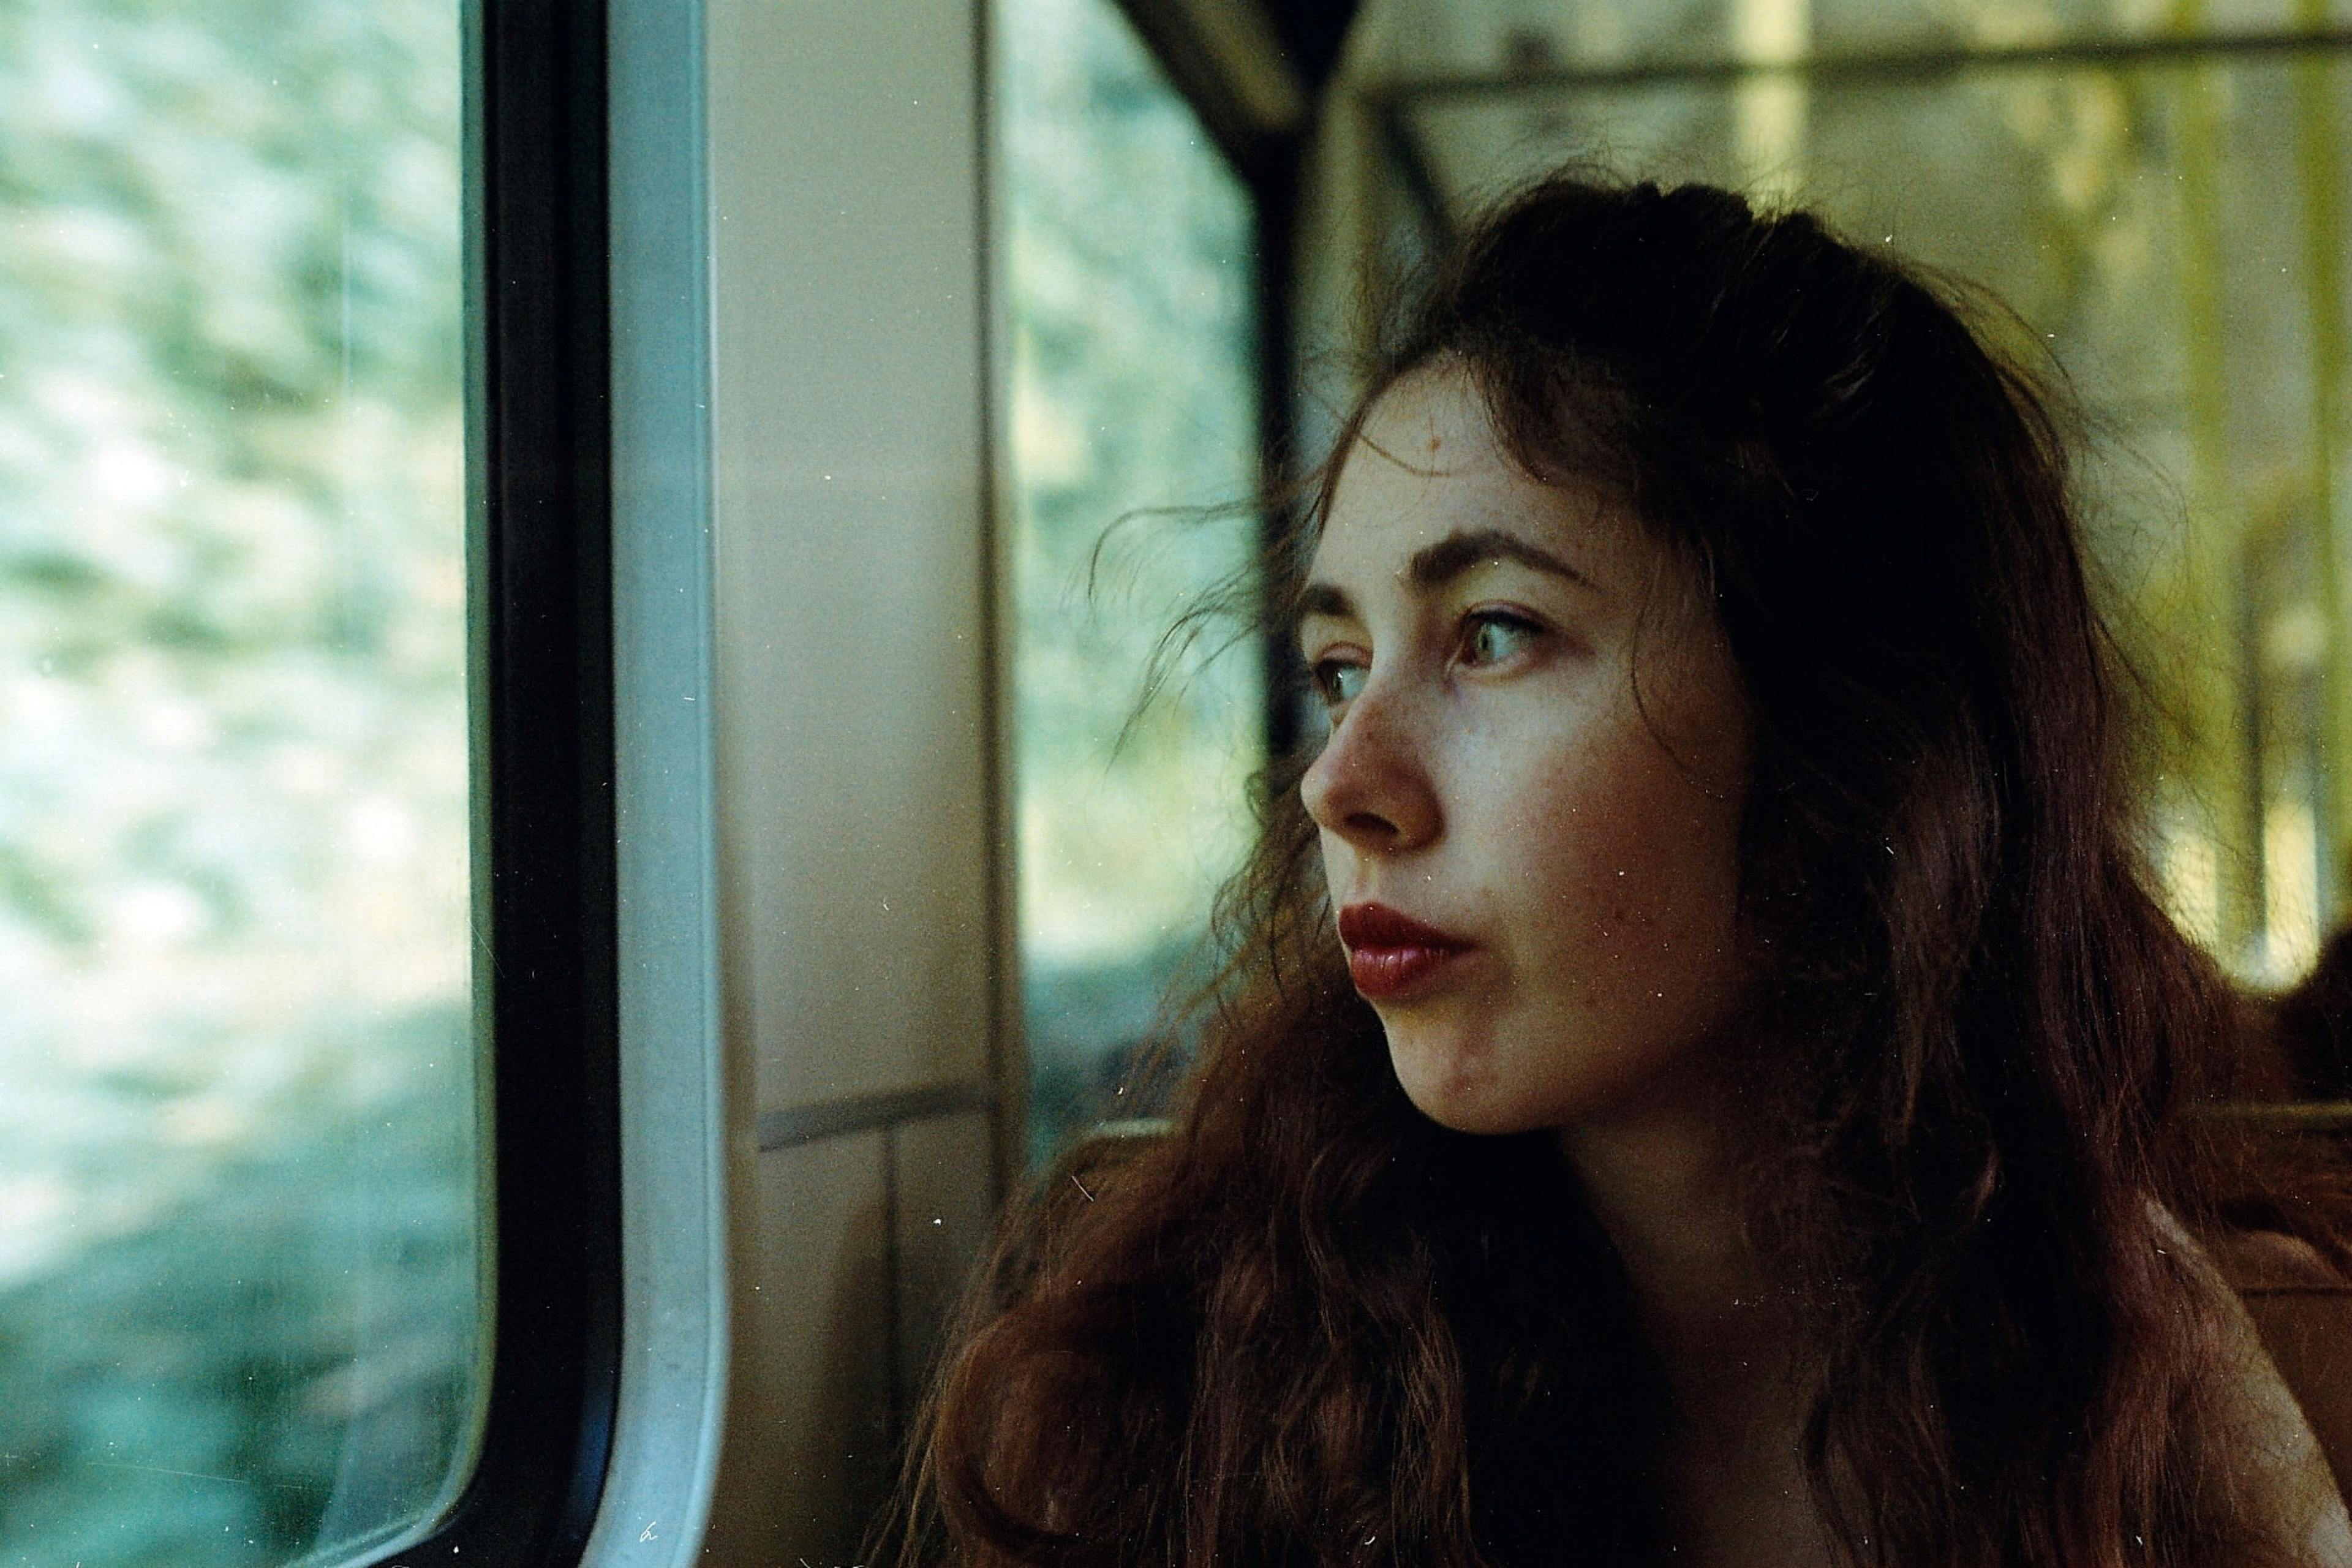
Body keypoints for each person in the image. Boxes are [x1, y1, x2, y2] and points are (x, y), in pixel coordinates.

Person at [875, 173, 2352, 1567]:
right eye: (1338, 666)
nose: (1341, 782)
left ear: (1849, 736)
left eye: (1493, 633)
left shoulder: (2173, 1379)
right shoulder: (1176, 1382)